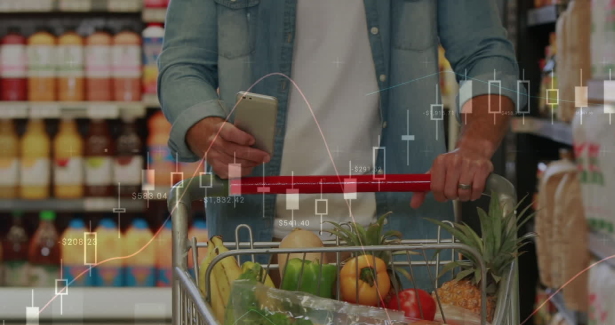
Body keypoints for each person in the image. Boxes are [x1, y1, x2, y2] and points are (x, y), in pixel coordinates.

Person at [158, 0, 526, 251]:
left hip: (403, 248)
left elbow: (485, 55)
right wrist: (204, 126)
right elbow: (182, 65)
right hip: (254, 245)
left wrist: (474, 147)